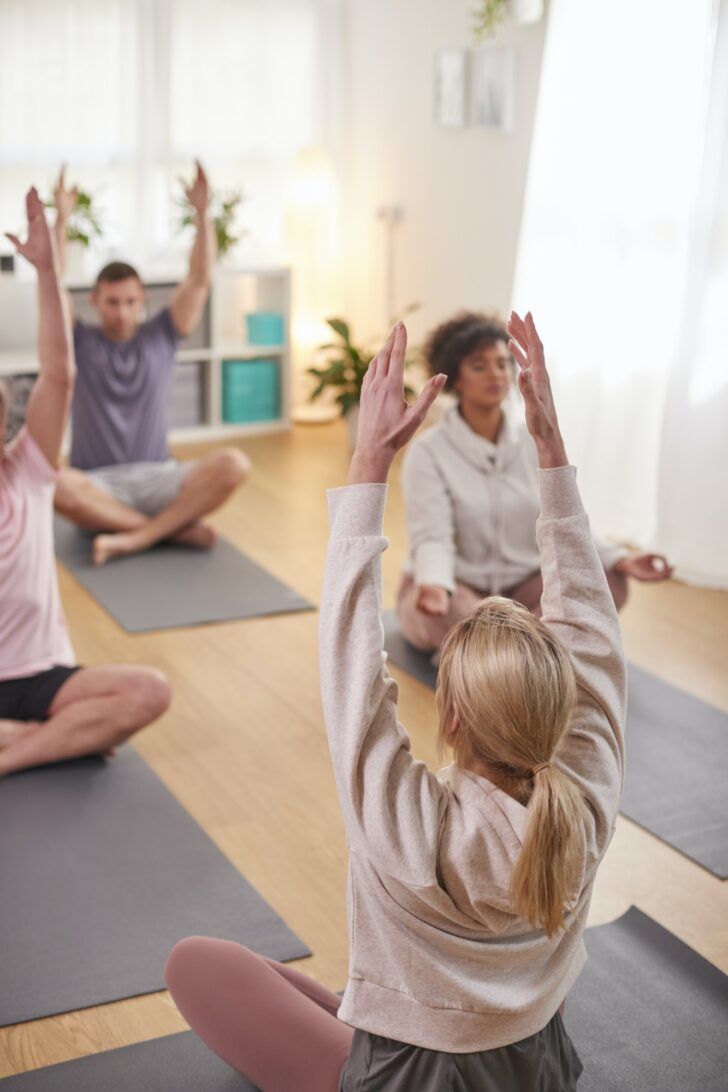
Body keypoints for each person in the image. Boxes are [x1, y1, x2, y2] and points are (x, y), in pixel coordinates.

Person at [163, 313, 626, 1090]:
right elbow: (589, 621)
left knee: (196, 964)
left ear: (449, 716)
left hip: (414, 1079)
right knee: (334, 1000)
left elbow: (350, 655)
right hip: (539, 1067)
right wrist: (555, 452)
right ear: (561, 710)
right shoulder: (587, 795)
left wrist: (368, 454)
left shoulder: (411, 828)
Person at [0, 189, 170, 778]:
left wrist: (47, 268)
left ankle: (18, 746)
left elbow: (58, 371)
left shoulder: (28, 471)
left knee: (150, 692)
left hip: (44, 676)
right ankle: (57, 739)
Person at [397, 311, 673, 652]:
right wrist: (436, 584)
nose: (496, 374)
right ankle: (529, 651)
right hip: (458, 589)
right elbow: (432, 534)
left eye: (502, 363)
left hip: (526, 587)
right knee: (443, 618)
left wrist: (619, 559)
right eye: (479, 366)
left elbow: (566, 518)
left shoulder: (534, 440)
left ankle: (503, 653)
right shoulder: (429, 452)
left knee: (608, 583)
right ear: (456, 378)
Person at [50, 163, 250, 566]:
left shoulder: (162, 335)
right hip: (97, 484)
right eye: (112, 302)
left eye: (130, 302)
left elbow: (199, 279)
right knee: (51, 482)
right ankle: (171, 531)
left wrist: (202, 213)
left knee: (235, 463)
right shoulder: (79, 341)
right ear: (95, 301)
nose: (122, 312)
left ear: (142, 301)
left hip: (160, 477)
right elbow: (51, 282)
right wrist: (62, 219)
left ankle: (132, 537)